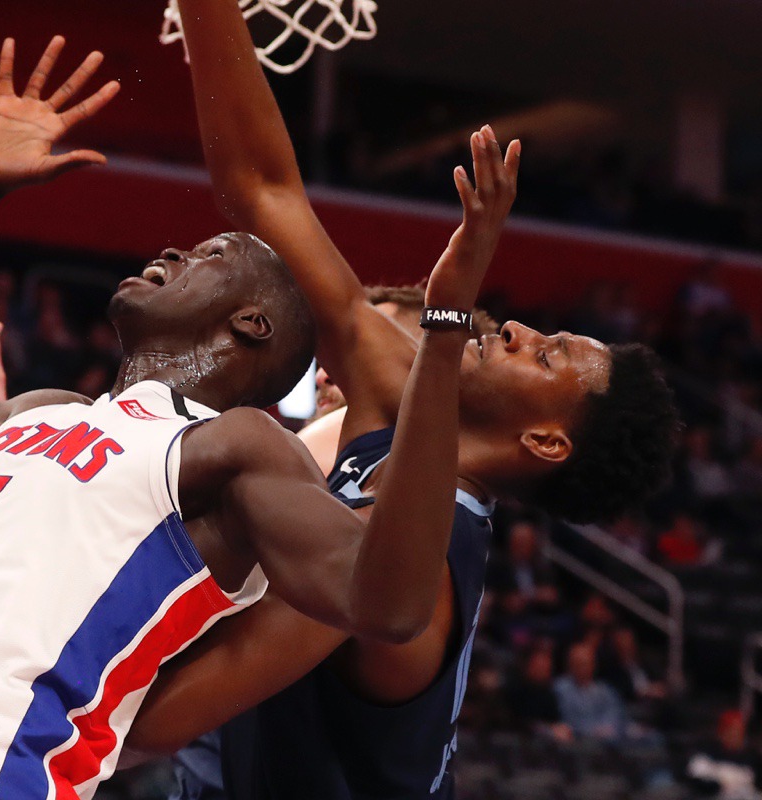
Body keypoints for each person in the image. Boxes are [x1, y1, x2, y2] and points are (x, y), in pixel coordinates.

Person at [0, 36, 487, 800]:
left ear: (251, 325)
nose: (171, 247)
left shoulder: (234, 448)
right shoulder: (42, 413)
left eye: (211, 253)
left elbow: (390, 601)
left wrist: (444, 323)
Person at [117, 1, 678, 798]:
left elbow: (156, 717)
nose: (518, 328)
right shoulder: (400, 407)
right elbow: (265, 190)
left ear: (548, 442)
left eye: (548, 354)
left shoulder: (420, 569)